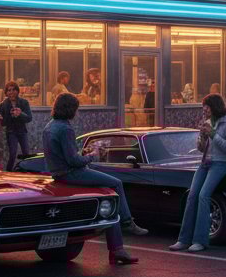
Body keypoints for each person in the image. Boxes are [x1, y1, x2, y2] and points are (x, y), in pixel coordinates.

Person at [41, 92, 147, 265]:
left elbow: (64, 155)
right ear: (70, 109)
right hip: (71, 174)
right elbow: (73, 161)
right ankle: (127, 222)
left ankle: (117, 250)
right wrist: (93, 155)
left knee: (110, 200)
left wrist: (84, 154)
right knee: (116, 183)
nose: (77, 113)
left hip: (58, 174)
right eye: (76, 109)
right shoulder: (65, 128)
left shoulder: (49, 126)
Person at [170, 93, 226, 252]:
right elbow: (201, 149)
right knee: (192, 195)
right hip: (205, 163)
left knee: (204, 195)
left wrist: (213, 134)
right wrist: (201, 137)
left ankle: (200, 240)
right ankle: (183, 239)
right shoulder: (207, 122)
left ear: (215, 107)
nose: (204, 110)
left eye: (206, 107)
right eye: (203, 107)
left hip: (220, 163)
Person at [0, 80, 33, 171]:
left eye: (13, 90)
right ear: (6, 92)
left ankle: (28, 171)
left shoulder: (24, 102)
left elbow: (29, 118)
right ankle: (8, 172)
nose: (11, 92)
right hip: (11, 132)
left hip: (22, 131)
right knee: (12, 154)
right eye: (9, 90)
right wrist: (6, 116)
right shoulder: (3, 105)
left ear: (17, 91)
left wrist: (20, 113)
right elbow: (3, 123)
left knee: (26, 153)